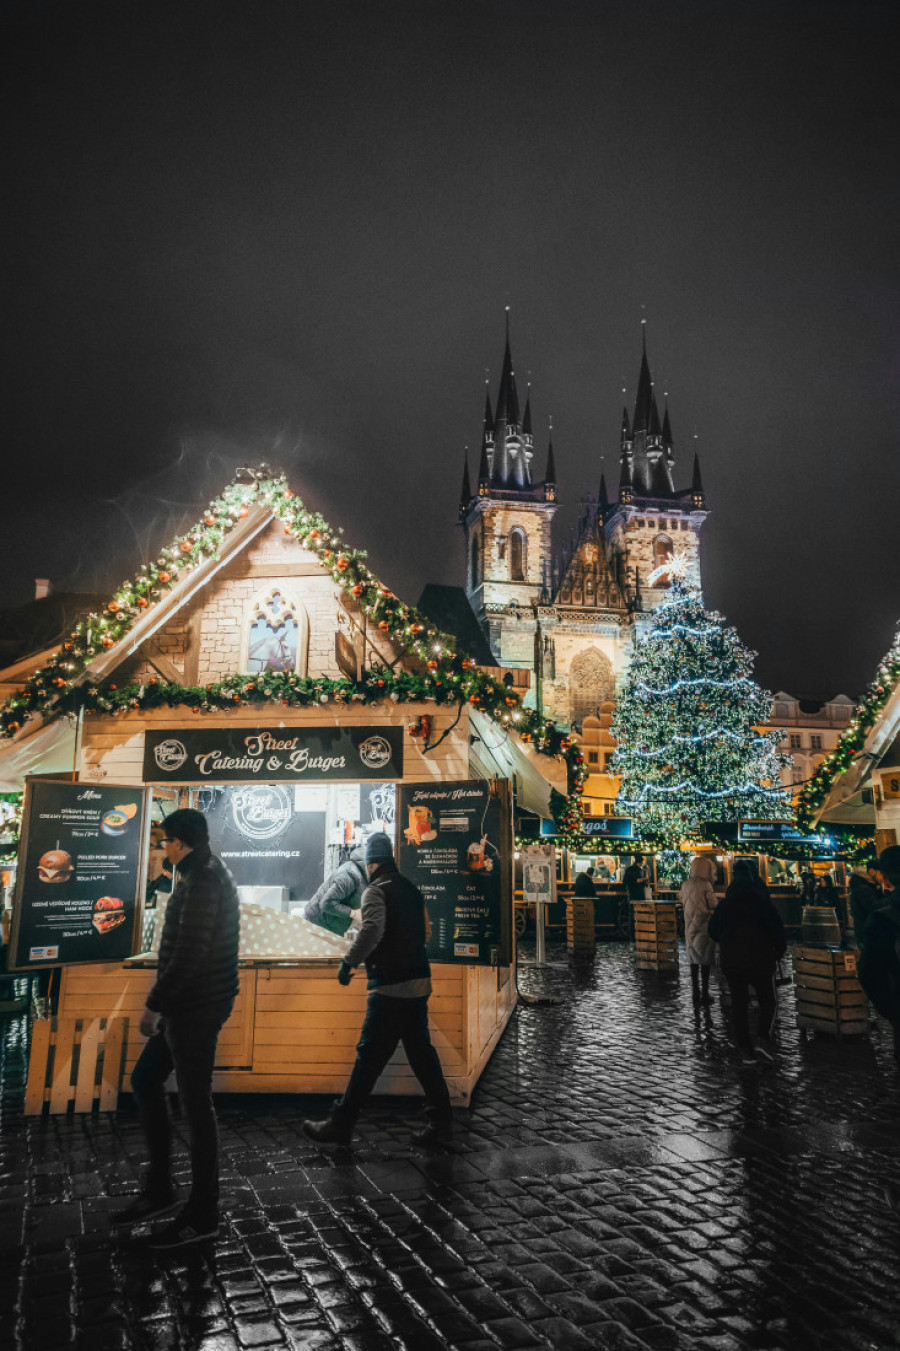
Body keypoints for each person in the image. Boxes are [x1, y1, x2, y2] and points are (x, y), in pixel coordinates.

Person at [113, 808, 240, 1249]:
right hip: (190, 1004)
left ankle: (203, 1212)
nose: (162, 848)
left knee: (195, 1104)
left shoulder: (202, 879)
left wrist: (154, 1006)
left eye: (164, 840)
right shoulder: (200, 873)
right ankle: (162, 1189)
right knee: (146, 1080)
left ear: (179, 843)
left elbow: (189, 953)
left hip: (196, 1007)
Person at [302, 832, 453, 1148]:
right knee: (422, 1055)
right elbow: (425, 931)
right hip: (419, 984)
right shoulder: (411, 889)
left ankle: (341, 1124)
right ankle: (441, 1122)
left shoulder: (375, 890)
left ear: (370, 862)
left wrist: (348, 963)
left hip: (390, 988)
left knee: (369, 1056)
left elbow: (371, 931)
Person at [708, 859, 786, 1066]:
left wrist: (727, 942)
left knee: (739, 1005)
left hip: (733, 961)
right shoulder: (762, 903)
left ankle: (745, 1050)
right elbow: (777, 931)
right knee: (768, 1001)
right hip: (761, 959)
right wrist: (778, 950)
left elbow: (713, 930)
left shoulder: (726, 904)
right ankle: (762, 1039)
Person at [680, 855, 718, 1006]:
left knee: (693, 961)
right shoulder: (706, 885)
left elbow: (682, 901)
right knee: (705, 962)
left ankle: (695, 992)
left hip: (690, 926)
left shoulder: (685, 884)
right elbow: (713, 904)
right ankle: (705, 992)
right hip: (704, 926)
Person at [304, 844, 367, 935]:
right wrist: (353, 913)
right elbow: (326, 903)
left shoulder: (366, 876)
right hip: (318, 923)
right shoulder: (350, 875)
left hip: (332, 926)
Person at [848, 864, 883, 946]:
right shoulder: (863, 889)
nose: (883, 877)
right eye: (880, 873)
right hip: (869, 934)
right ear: (872, 871)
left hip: (866, 932)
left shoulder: (864, 886)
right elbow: (875, 908)